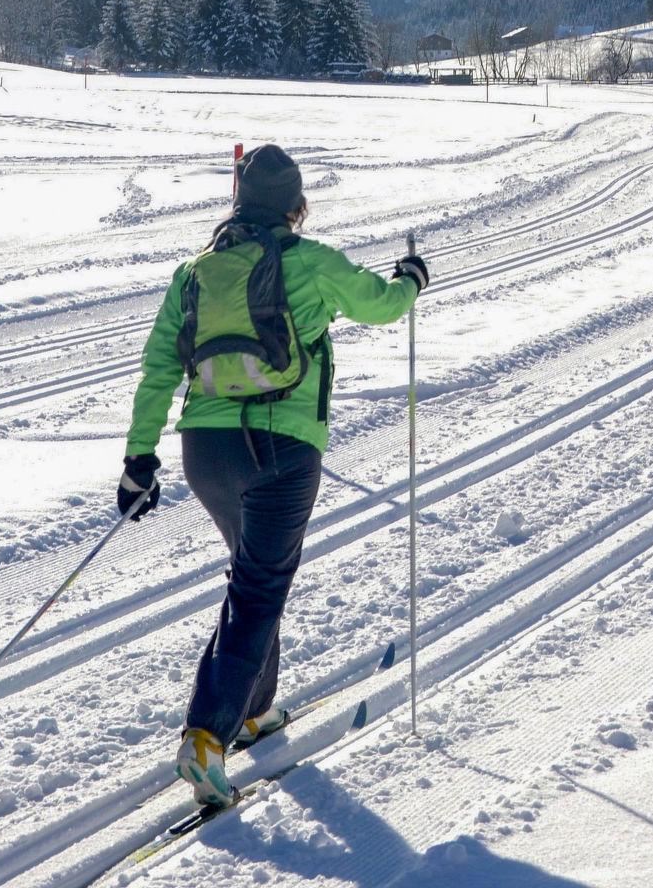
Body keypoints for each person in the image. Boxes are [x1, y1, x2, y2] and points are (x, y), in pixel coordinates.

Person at [116, 144, 427, 807]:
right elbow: (380, 306)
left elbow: (157, 370)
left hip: (206, 453)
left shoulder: (194, 274)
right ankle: (206, 736)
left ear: (238, 202)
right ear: (296, 206)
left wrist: (138, 459)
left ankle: (254, 709)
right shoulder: (307, 261)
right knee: (258, 587)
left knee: (253, 574)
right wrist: (410, 280)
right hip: (281, 451)